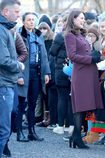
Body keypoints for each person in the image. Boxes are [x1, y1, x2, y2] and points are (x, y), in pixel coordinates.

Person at [64, 10, 103, 149]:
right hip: (81, 74)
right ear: (73, 19)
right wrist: (90, 59)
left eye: (84, 18)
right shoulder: (70, 35)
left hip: (88, 73)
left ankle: (75, 136)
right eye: (81, 18)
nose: (83, 20)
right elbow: (72, 56)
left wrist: (94, 55)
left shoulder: (81, 34)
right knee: (80, 106)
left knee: (85, 106)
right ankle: (77, 138)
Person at [19, 12, 50, 141]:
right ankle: (19, 131)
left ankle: (32, 131)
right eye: (29, 20)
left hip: (36, 72)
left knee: (32, 103)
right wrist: (18, 74)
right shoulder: (19, 35)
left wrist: (46, 72)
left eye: (33, 20)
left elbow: (44, 56)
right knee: (21, 103)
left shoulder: (38, 35)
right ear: (23, 22)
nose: (31, 22)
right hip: (23, 71)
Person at [0, 0, 24, 157]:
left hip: (6, 82)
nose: (18, 14)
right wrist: (19, 66)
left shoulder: (5, 29)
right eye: (16, 11)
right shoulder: (1, 31)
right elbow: (3, 59)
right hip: (3, 84)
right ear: (5, 12)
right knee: (4, 128)